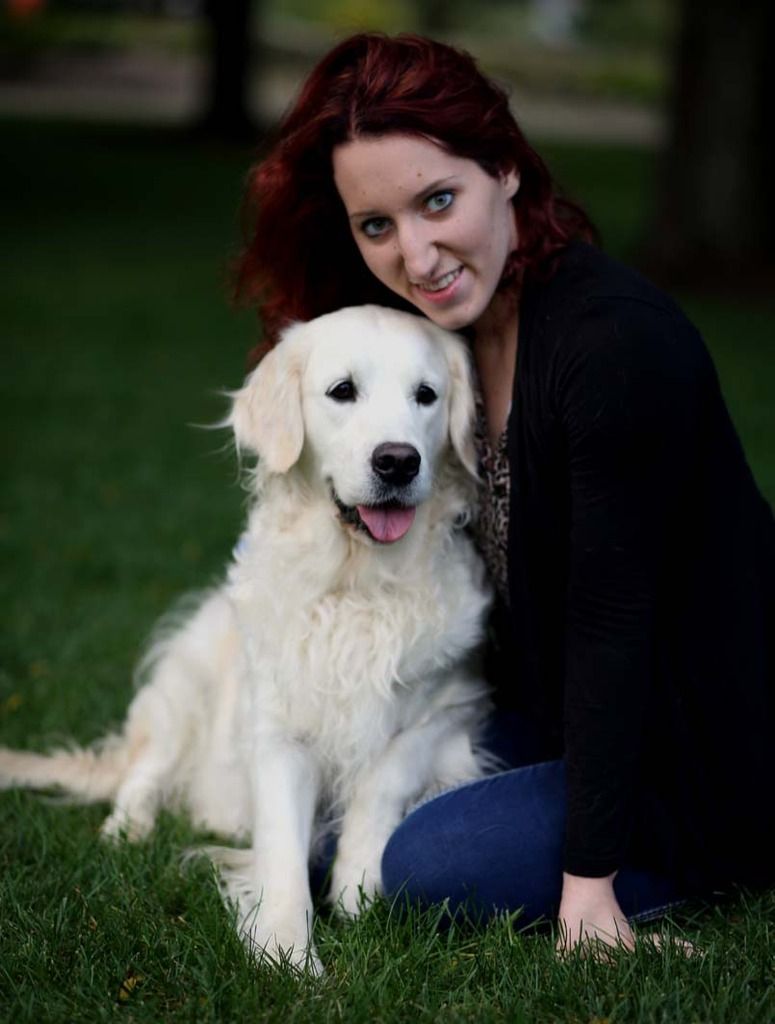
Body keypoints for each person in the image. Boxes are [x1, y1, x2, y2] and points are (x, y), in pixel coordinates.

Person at [234, 33, 775, 953]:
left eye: (438, 201)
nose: (416, 253)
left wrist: (587, 888)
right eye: (378, 226)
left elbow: (613, 630)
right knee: (329, 835)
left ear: (507, 170)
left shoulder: (610, 348)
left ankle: (684, 863)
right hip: (559, 716)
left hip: (700, 747)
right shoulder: (441, 337)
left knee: (421, 870)